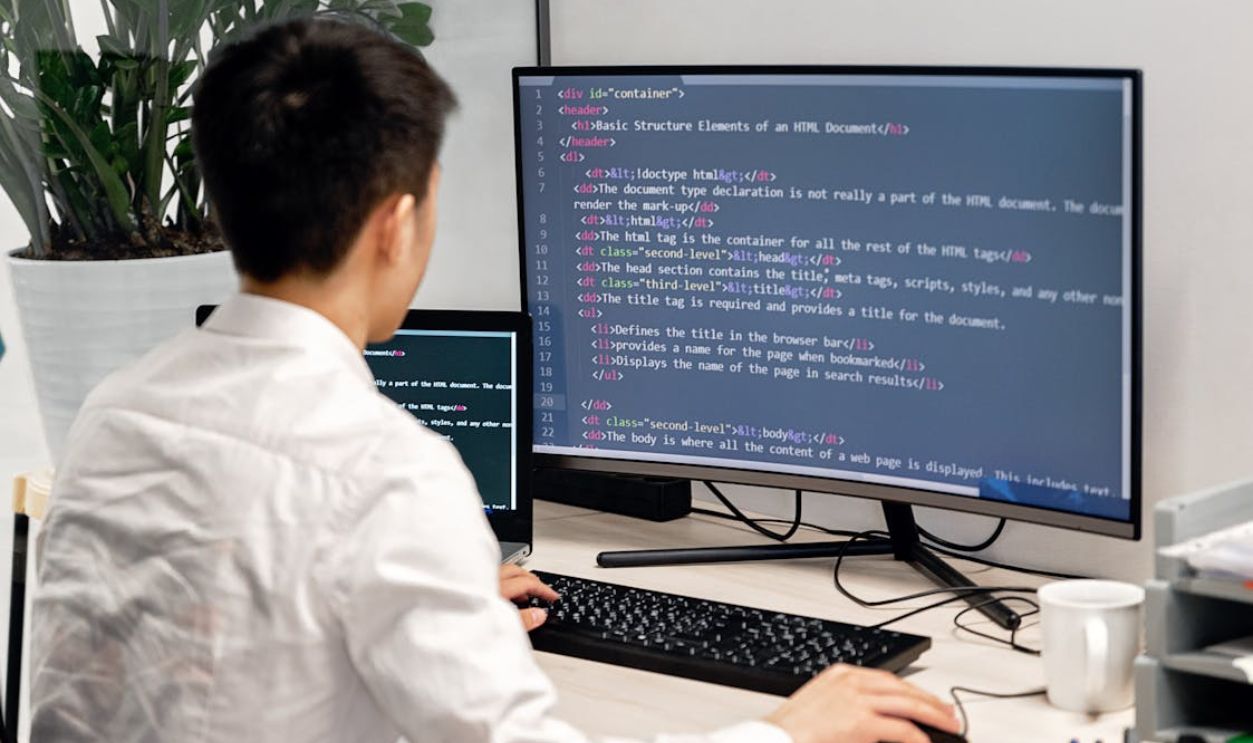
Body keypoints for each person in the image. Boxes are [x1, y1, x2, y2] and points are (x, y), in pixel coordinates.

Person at [29, 18, 961, 743]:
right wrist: (788, 727)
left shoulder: (115, 414)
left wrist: (437, 619)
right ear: (397, 224)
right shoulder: (385, 475)